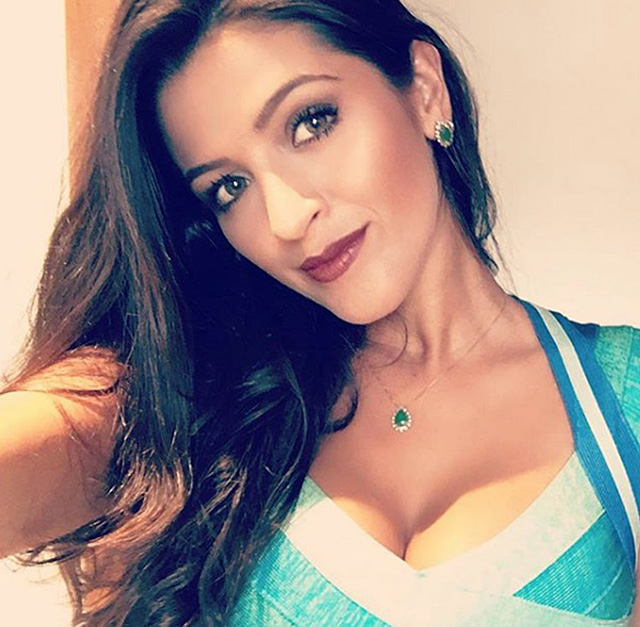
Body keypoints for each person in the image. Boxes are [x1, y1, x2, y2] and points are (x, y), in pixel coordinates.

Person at [1, 0, 639, 625]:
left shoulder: (622, 392)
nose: (285, 219)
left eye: (310, 123)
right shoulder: (198, 393)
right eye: (229, 187)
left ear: (424, 90)